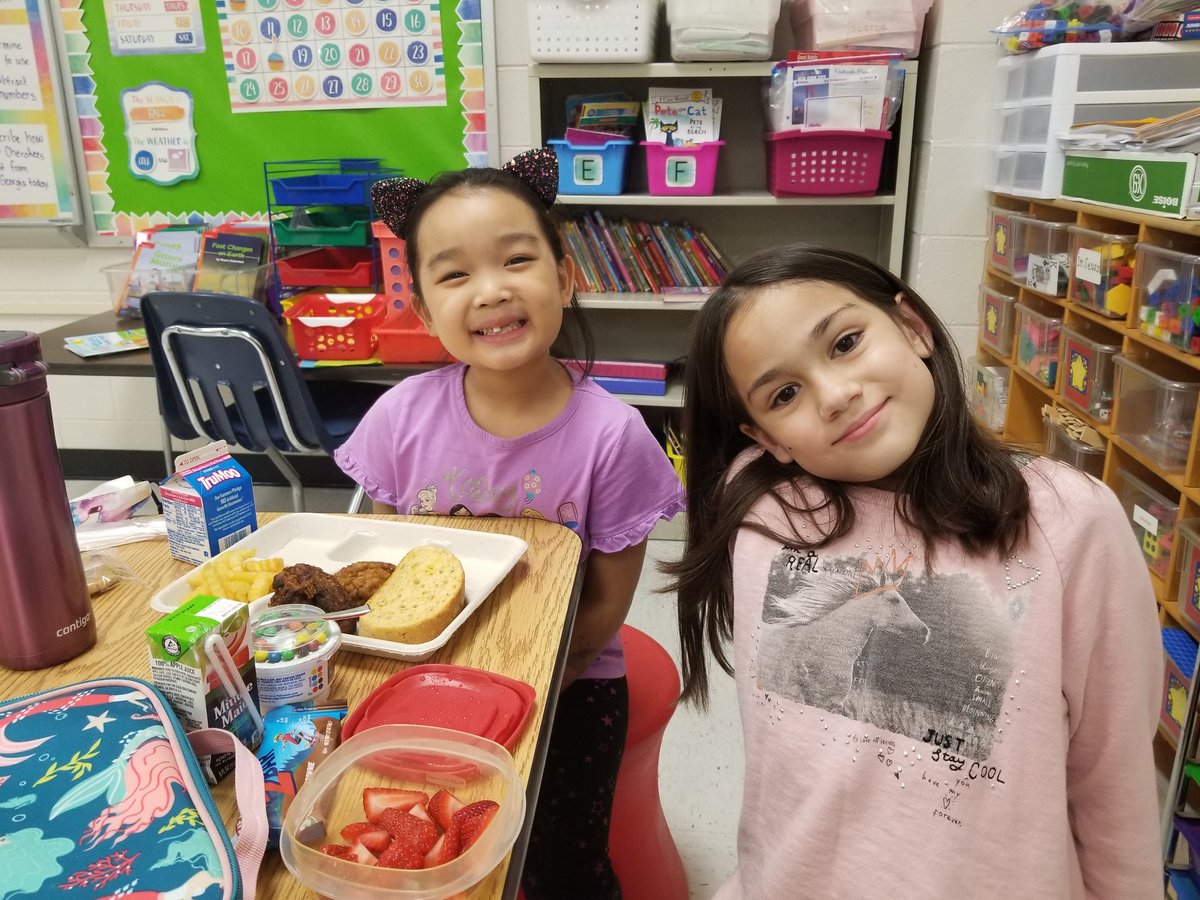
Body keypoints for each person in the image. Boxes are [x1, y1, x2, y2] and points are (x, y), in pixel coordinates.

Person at [664, 244, 1161, 898]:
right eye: (785, 394)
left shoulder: (1068, 522)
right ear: (769, 439)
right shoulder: (764, 509)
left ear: (914, 328)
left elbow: (1115, 784)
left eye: (845, 343)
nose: (836, 395)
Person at [334, 148, 685, 898]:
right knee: (415, 846)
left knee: (563, 866)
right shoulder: (401, 418)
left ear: (564, 276)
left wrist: (518, 689)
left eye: (516, 261)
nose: (491, 291)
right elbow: (397, 585)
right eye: (455, 274)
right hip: (432, 674)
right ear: (424, 310)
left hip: (570, 681)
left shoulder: (613, 436)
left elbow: (603, 611)